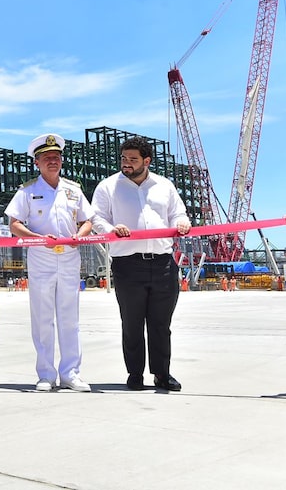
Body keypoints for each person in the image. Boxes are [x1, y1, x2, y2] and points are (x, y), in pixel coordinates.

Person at [91, 136, 190, 392]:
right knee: (132, 323)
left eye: (133, 160)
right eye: (124, 158)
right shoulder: (108, 187)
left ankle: (162, 374)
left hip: (163, 264)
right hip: (127, 264)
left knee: (160, 324)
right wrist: (112, 228)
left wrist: (182, 222)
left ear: (146, 161)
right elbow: (97, 218)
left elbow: (178, 212)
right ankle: (135, 374)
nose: (126, 164)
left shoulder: (164, 185)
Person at [5, 133, 94, 392]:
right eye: (46, 158)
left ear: (61, 161)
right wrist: (36, 238)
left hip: (69, 258)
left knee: (70, 318)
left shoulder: (73, 190)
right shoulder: (28, 191)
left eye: (56, 157)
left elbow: (88, 220)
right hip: (41, 258)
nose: (52, 162)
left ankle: (70, 373)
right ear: (37, 162)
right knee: (43, 318)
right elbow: (14, 225)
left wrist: (80, 236)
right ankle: (46, 374)